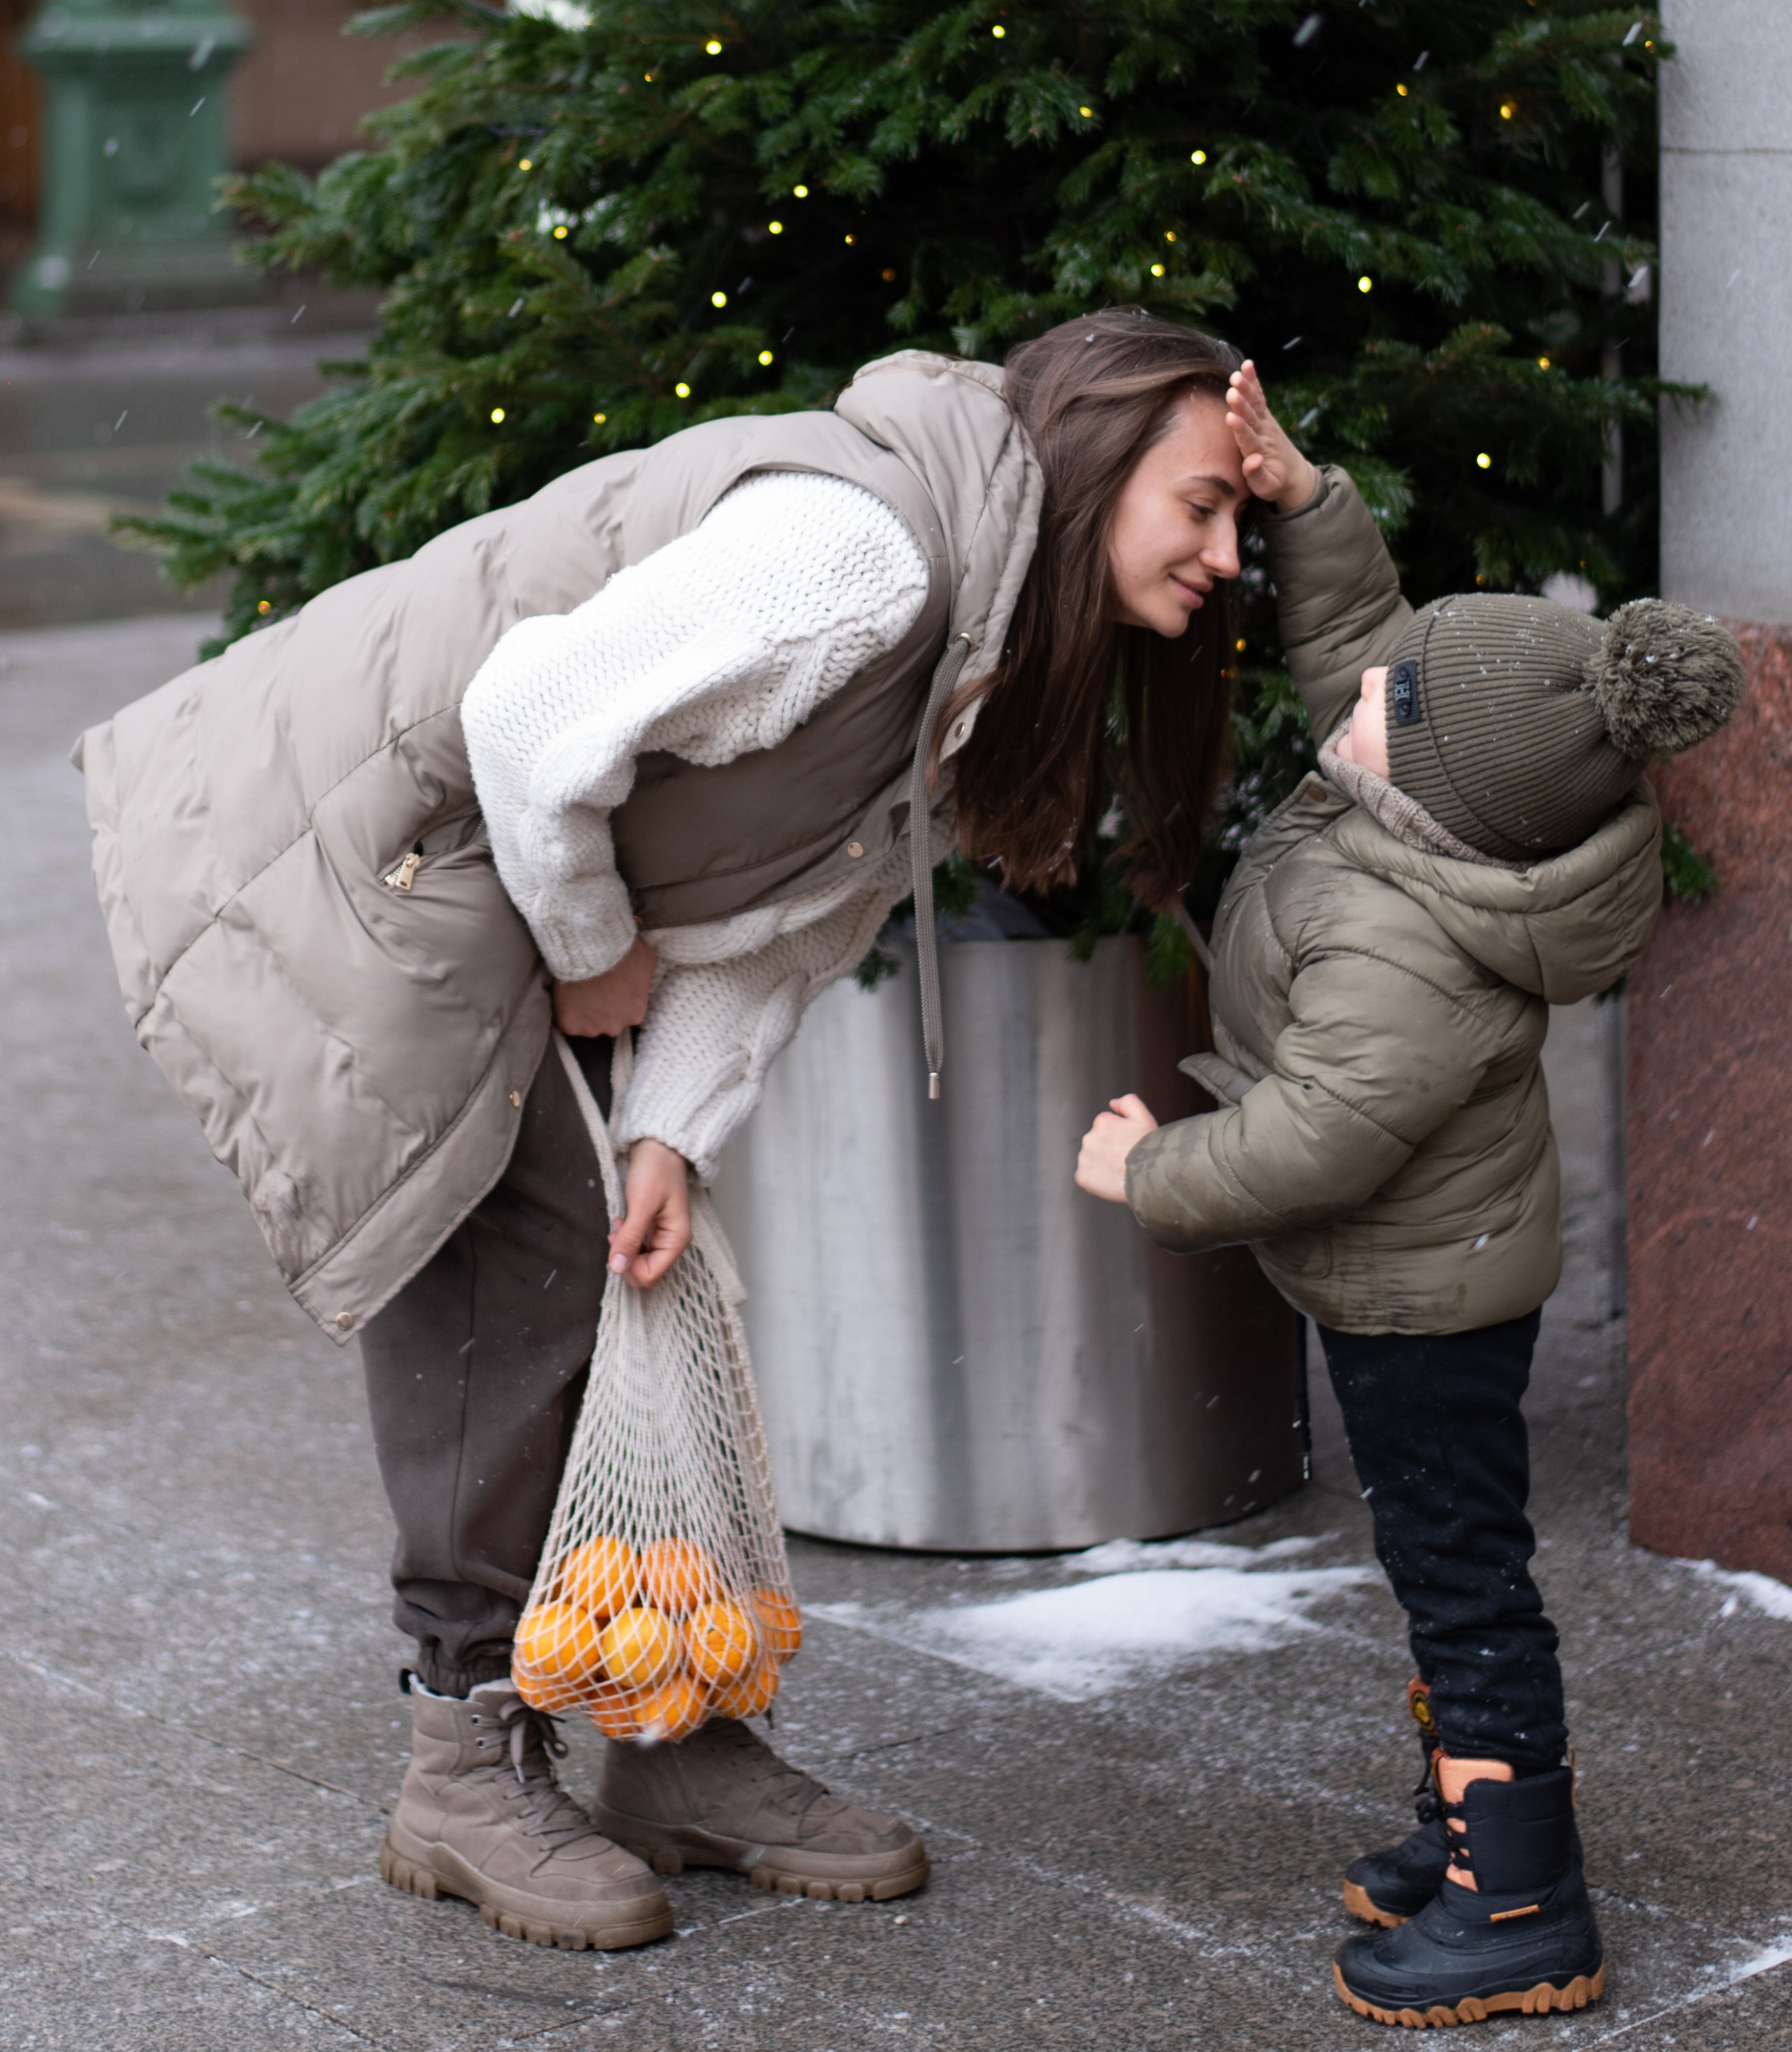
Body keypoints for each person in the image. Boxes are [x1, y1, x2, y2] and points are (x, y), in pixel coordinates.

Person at [76, 309, 1247, 1954]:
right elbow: (530, 714)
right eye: (1200, 500)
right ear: (1097, 455)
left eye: (1239, 521)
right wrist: (590, 952)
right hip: (355, 840)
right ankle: (461, 1756)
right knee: (509, 1269)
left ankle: (659, 1727)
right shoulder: (868, 551)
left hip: (478, 858)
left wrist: (671, 1134)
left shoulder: (972, 624)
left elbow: (785, 923)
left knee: (632, 1264)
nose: (1223, 550)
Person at [1076, 363, 1744, 2028]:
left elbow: (1316, 1135)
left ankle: (1522, 1901)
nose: (1350, 690)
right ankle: (1468, 1820)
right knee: (1440, 1557)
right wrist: (1304, 502)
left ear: (1430, 785)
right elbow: (1363, 642)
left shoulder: (1400, 938)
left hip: (1419, 1299)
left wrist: (1148, 1168)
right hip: (1418, 1279)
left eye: (1385, 701)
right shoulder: (1431, 802)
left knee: (1460, 1571)